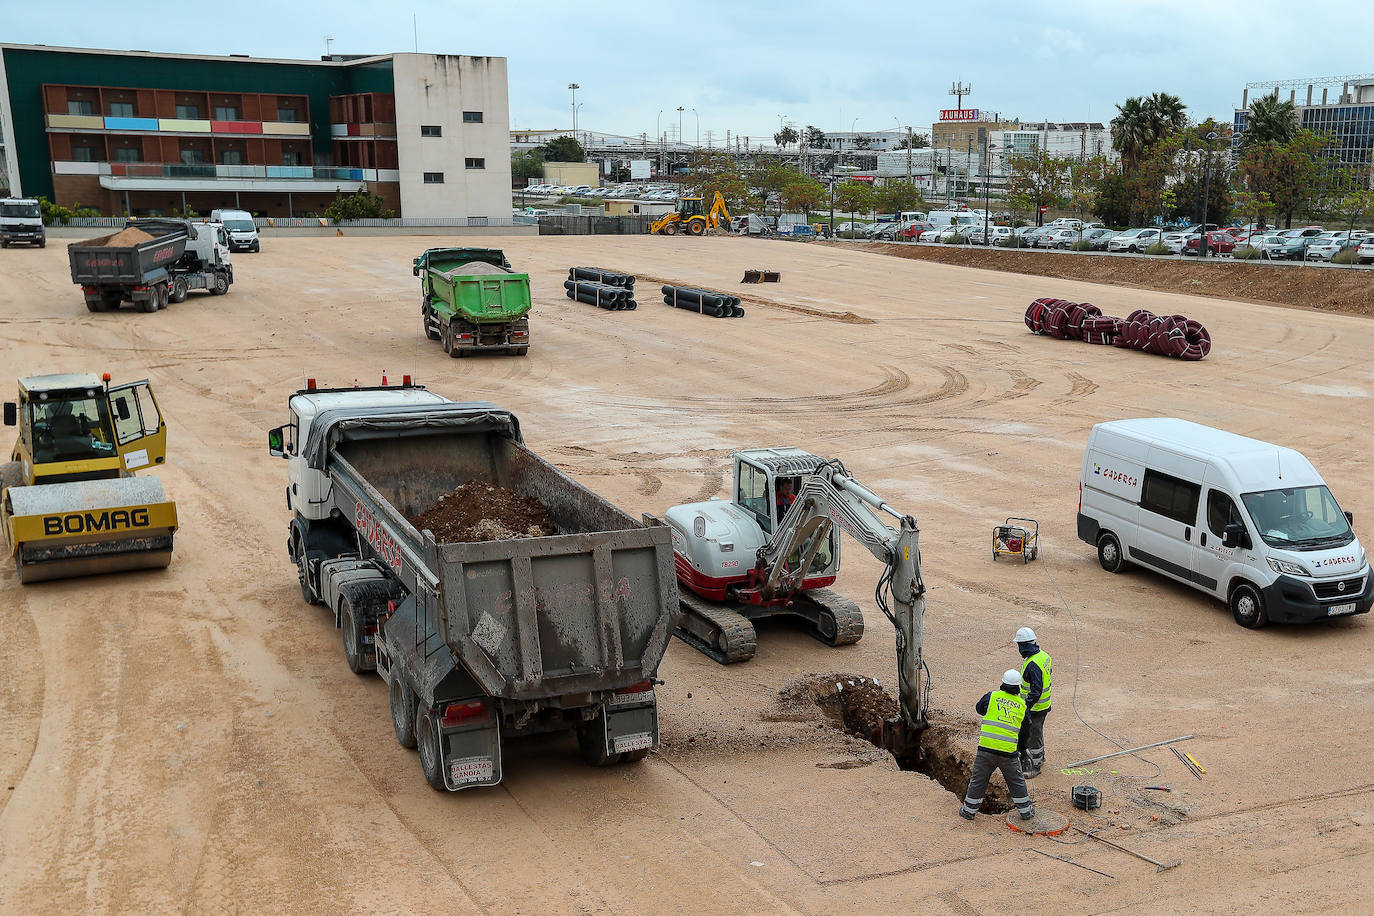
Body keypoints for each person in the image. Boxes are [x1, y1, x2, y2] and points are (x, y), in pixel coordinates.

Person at [959, 670, 1035, 822]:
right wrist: (1022, 750)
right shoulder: (1022, 705)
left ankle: (968, 811)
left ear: (1003, 683)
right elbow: (1026, 731)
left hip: (986, 750)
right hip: (1008, 753)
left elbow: (979, 708)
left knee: (978, 781)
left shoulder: (991, 696)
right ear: (1018, 687)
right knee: (1016, 782)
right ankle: (1026, 812)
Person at [1014, 627, 1052, 778]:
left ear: (1023, 645)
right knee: (1038, 731)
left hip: (1036, 707)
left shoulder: (1032, 664)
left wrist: (1025, 706)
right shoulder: (1044, 656)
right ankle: (1040, 757)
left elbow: (1036, 690)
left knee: (1033, 734)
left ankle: (1034, 766)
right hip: (1044, 704)